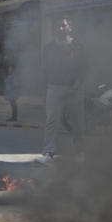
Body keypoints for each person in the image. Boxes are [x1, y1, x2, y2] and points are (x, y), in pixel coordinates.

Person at [35, 19, 87, 164]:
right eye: (57, 26)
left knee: (78, 122)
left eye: (63, 25)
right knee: (52, 120)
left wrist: (75, 87)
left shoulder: (78, 47)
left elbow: (84, 69)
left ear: (70, 27)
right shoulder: (48, 48)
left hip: (74, 89)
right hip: (54, 88)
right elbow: (45, 70)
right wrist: (44, 91)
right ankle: (48, 153)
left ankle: (80, 153)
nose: (60, 28)